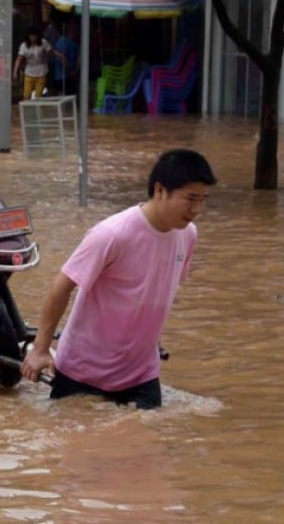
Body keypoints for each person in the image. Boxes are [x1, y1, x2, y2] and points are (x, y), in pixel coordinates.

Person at [21, 148, 217, 409]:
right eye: (191, 198)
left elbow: (156, 290)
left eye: (203, 200)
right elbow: (61, 287)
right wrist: (40, 350)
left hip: (141, 373)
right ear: (160, 190)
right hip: (83, 371)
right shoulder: (112, 234)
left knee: (151, 434)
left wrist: (152, 337)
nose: (197, 209)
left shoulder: (188, 234)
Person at [13, 25, 68, 100]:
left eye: (35, 36)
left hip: (41, 71)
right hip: (29, 72)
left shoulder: (43, 42)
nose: (33, 38)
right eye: (31, 36)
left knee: (38, 96)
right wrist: (15, 72)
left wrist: (61, 56)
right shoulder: (24, 46)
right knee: (26, 95)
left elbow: (52, 51)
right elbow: (19, 59)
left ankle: (36, 106)